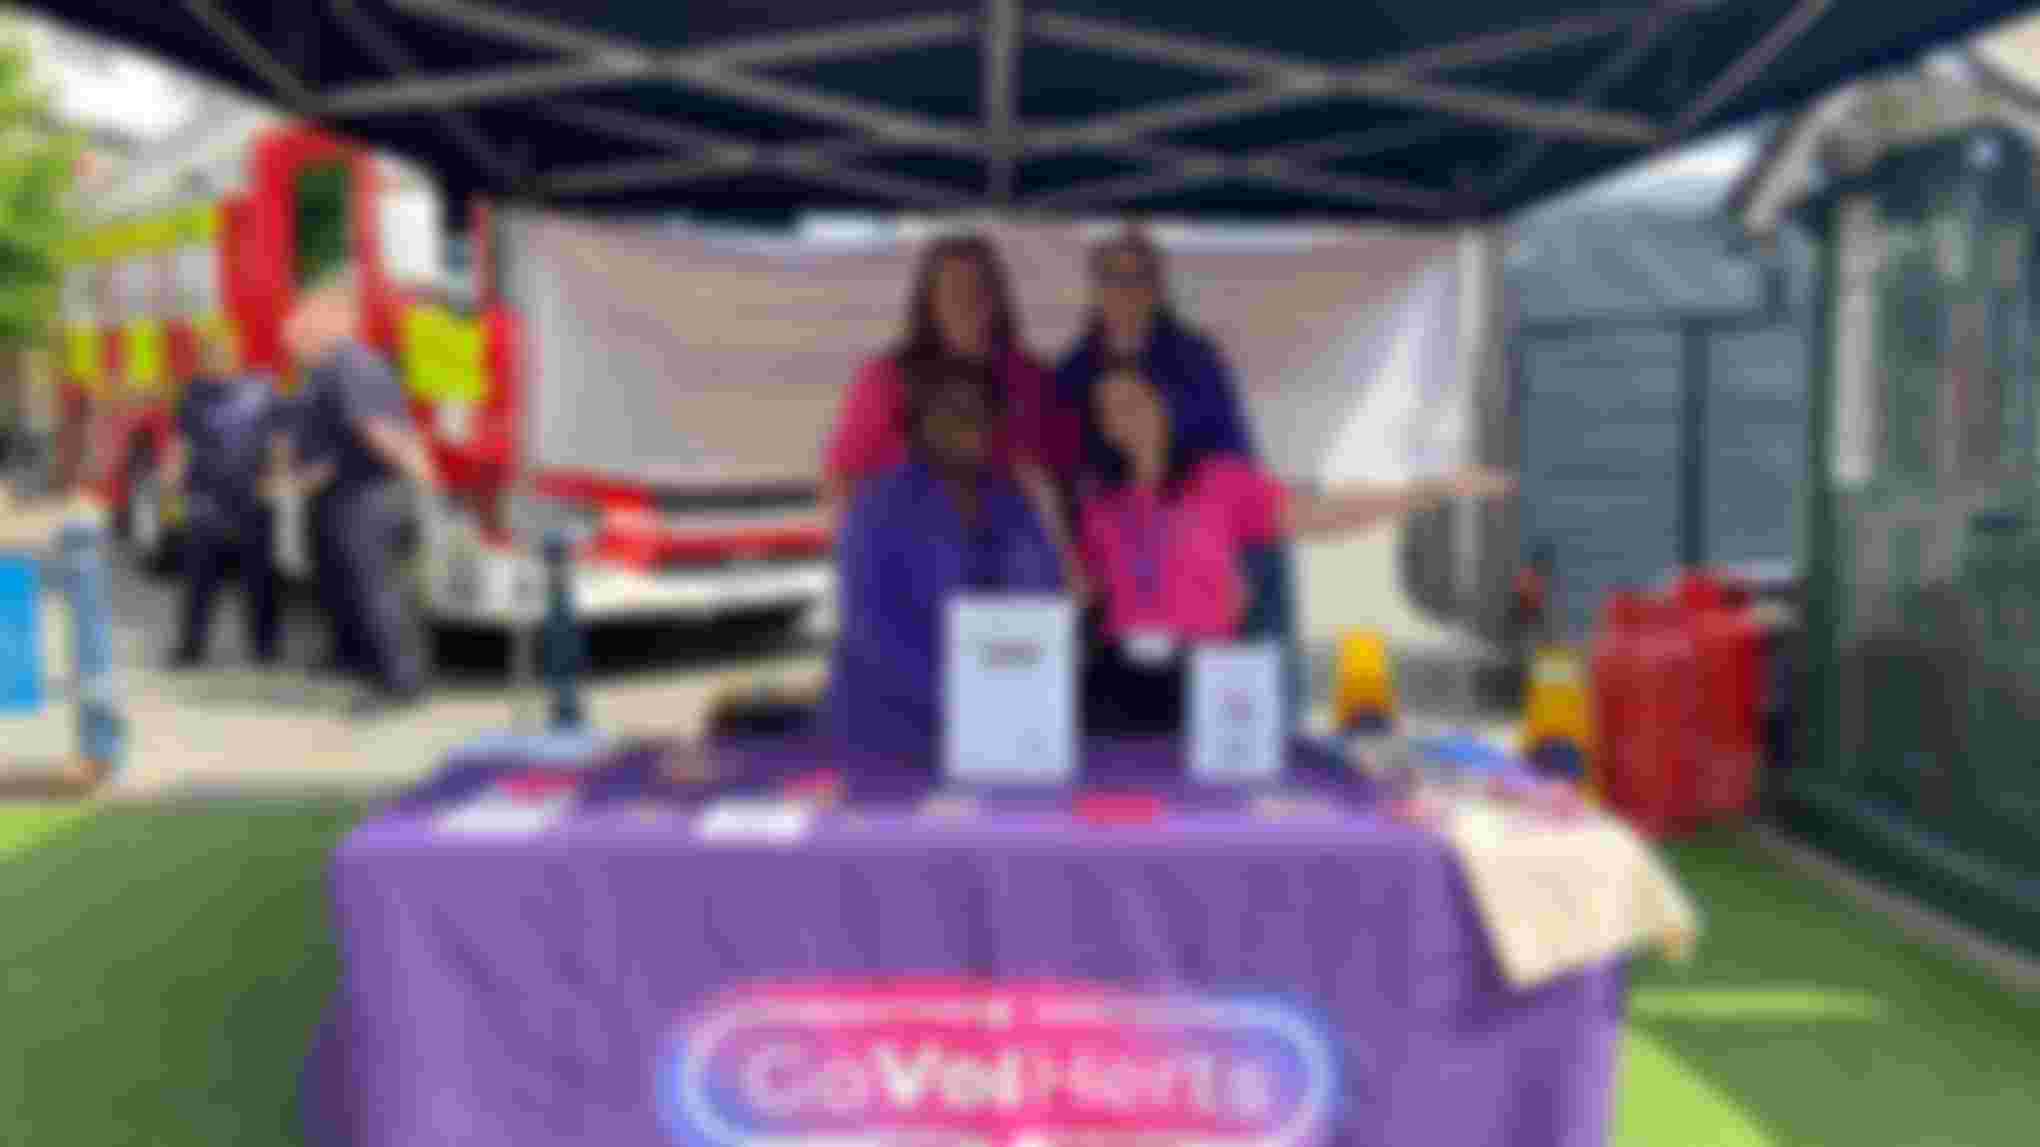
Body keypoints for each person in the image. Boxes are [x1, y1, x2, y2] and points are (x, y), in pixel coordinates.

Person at [1078, 366, 1517, 733]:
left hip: (1205, 675)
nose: (1125, 416)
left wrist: (1429, 491)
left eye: (1134, 400)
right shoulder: (1099, 500)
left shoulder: (1218, 482)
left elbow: (1321, 515)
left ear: (1162, 405)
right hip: (1121, 681)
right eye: (1109, 409)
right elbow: (1084, 590)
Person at [1053, 228, 1302, 703]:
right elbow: (1067, 473)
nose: (1128, 290)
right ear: (1096, 286)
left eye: (1141, 278)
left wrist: (1240, 557)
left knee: (1224, 690)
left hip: (1199, 546)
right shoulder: (1072, 370)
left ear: (1160, 286)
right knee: (1117, 691)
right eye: (1115, 278)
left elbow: (1236, 459)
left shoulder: (1196, 359)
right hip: (1118, 549)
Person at [823, 357, 1064, 758]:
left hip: (999, 732)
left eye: (978, 409)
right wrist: (971, 696)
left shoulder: (1012, 503)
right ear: (920, 423)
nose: (966, 420)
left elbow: (1041, 603)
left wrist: (1020, 685)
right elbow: (870, 629)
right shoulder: (879, 505)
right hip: (883, 738)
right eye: (950, 408)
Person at [823, 233, 1083, 589]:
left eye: (979, 285)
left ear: (998, 297)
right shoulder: (887, 378)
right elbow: (843, 479)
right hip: (918, 573)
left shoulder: (1034, 378)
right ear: (928, 300)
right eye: (952, 287)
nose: (967, 298)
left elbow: (1062, 479)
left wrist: (1067, 561)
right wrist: (860, 572)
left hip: (1018, 578)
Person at [285, 264, 438, 717]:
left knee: (379, 592)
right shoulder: (333, 366)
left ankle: (400, 686)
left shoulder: (348, 364)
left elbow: (375, 430)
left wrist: (421, 475)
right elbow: (343, 437)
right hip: (349, 494)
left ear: (338, 317)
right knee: (353, 589)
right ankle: (360, 663)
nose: (300, 327)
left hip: (368, 499)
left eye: (308, 317)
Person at [162, 332, 284, 669]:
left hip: (252, 495)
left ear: (234, 358)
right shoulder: (192, 395)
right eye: (208, 359)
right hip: (205, 497)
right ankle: (191, 648)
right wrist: (171, 484)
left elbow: (276, 440)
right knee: (199, 578)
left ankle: (265, 648)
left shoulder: (262, 390)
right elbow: (181, 443)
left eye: (220, 358)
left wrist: (275, 480)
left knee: (258, 577)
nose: (213, 365)